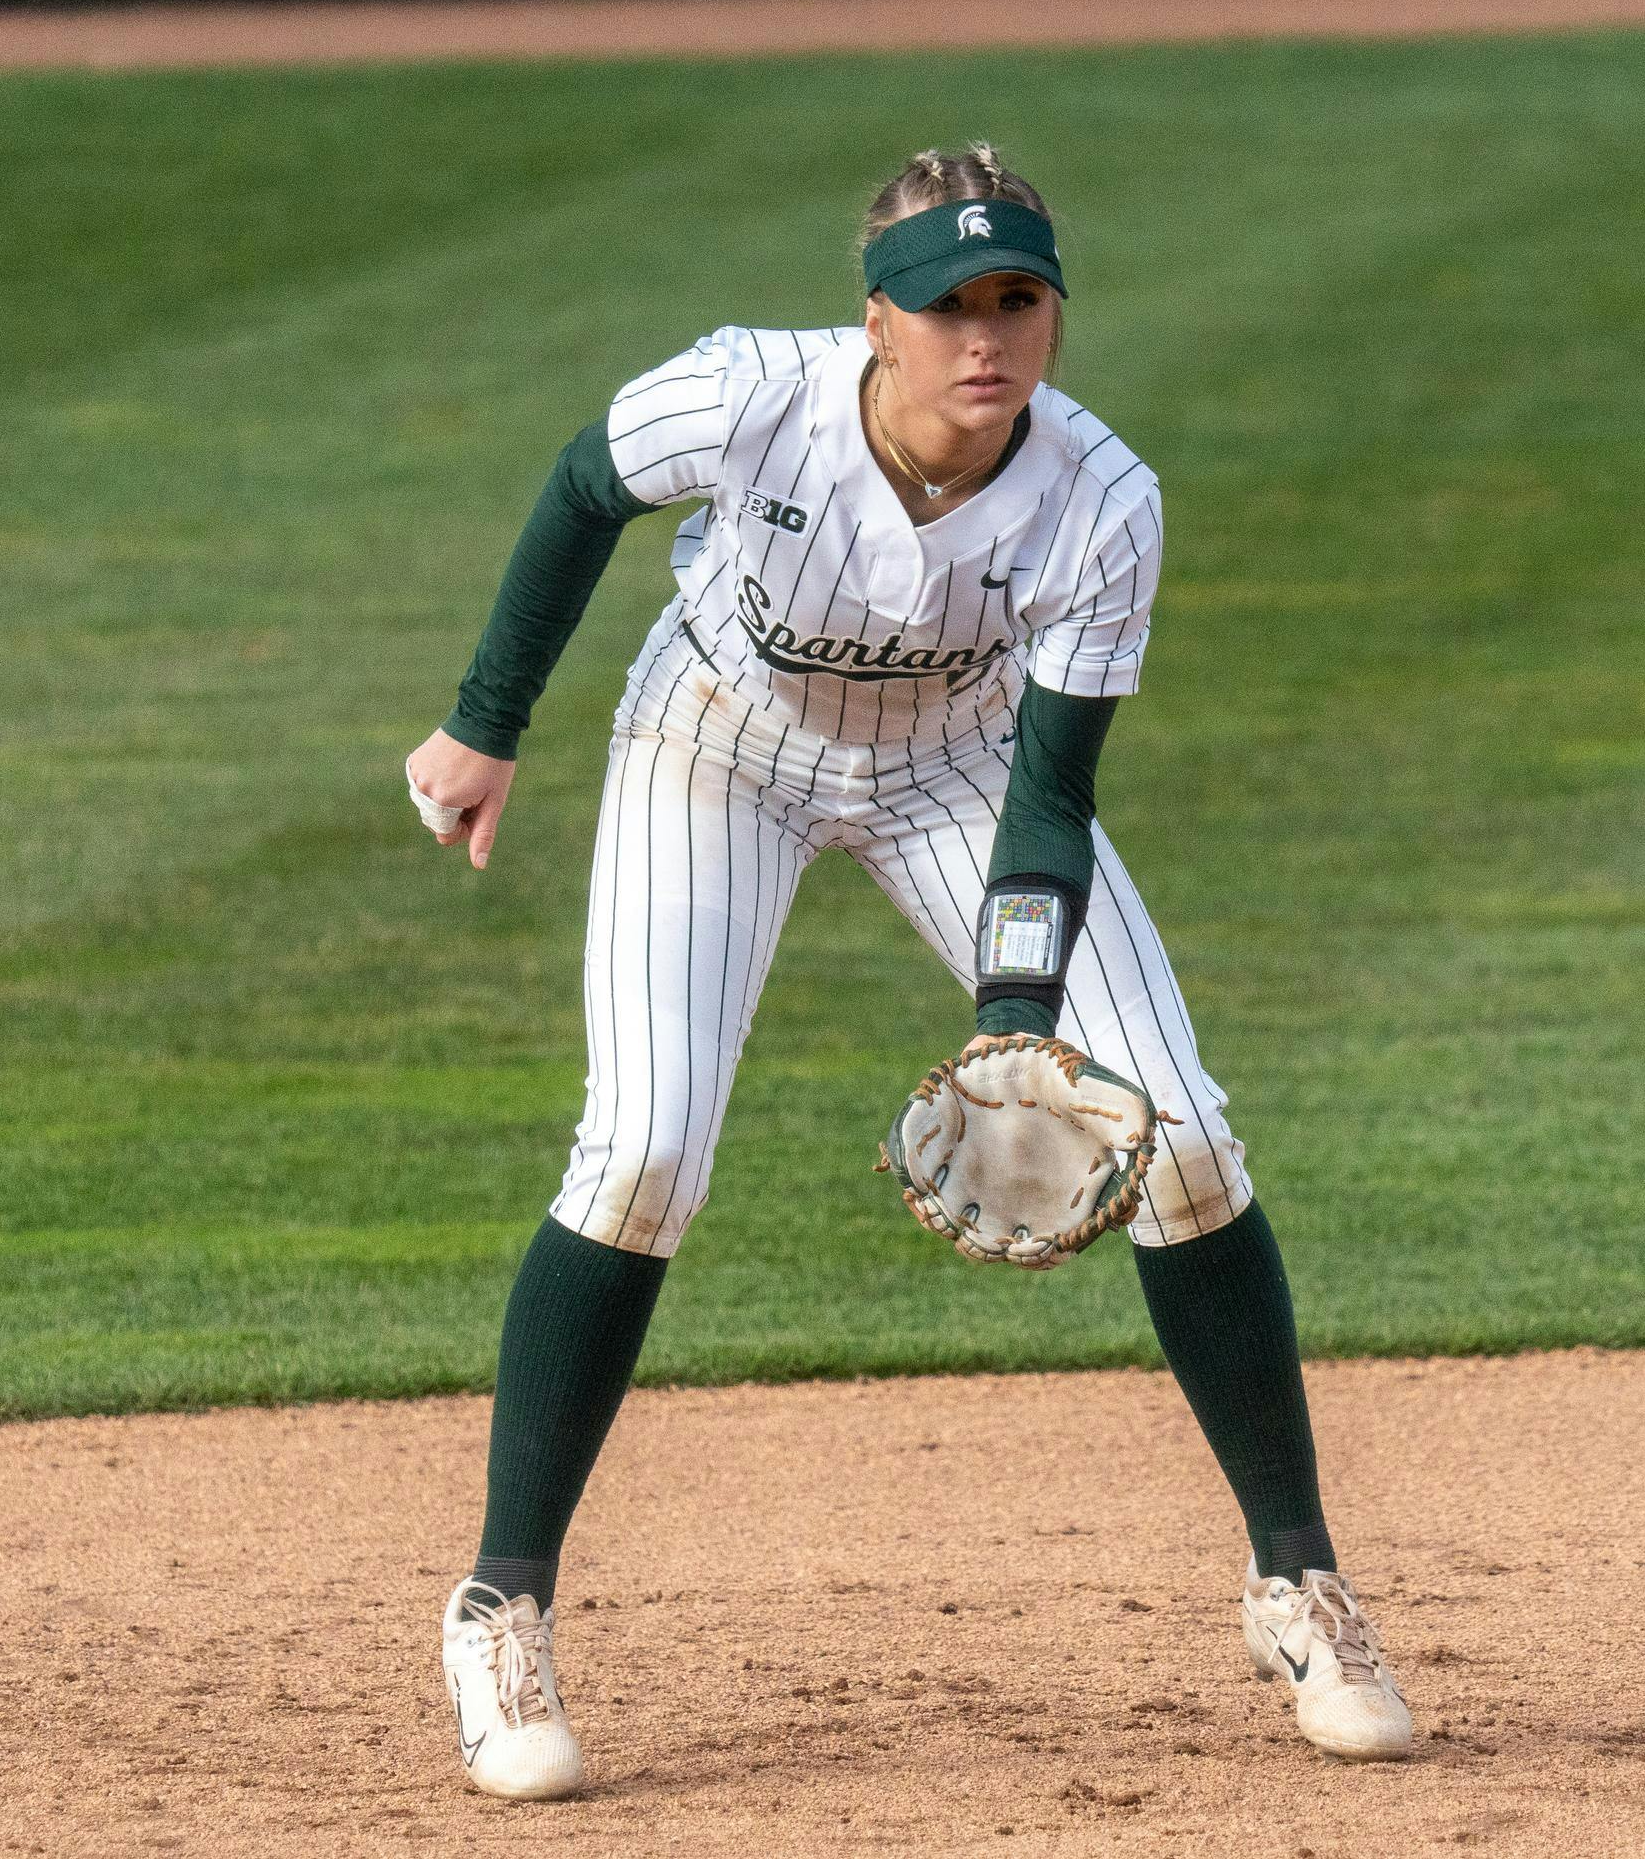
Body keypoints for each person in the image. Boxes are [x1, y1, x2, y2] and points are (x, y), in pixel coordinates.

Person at [408, 144, 1413, 1800]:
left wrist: (1019, 1023)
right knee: (642, 1154)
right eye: (949, 305)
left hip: (961, 774)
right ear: (875, 317)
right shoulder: (748, 399)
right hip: (717, 744)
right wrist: (485, 724)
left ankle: (1299, 1584)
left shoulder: (1105, 499)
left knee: (1185, 1139)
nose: (985, 338)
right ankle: (498, 1607)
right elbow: (588, 488)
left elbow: (1051, 791)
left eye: (1018, 300)